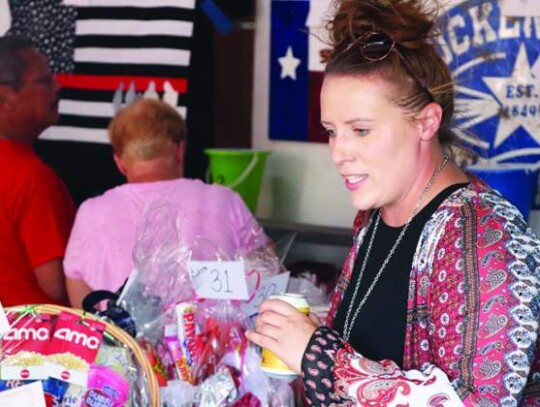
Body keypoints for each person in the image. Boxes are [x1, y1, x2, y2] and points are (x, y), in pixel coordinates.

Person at [246, 0, 540, 405]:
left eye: (360, 130)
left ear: (426, 122)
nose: (338, 152)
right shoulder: (371, 219)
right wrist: (312, 340)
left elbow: (481, 401)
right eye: (332, 131)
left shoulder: (486, 237)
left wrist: (319, 356)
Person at [64, 98, 272, 309]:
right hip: (219, 339)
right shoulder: (224, 199)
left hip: (124, 340)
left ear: (119, 162)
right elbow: (269, 274)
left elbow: (81, 304)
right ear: (180, 150)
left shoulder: (92, 212)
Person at [0, 36, 75, 306]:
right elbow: (55, 285)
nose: (57, 86)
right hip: (31, 339)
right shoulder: (30, 177)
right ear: (5, 95)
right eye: (44, 80)